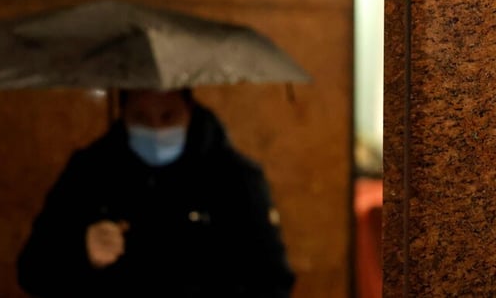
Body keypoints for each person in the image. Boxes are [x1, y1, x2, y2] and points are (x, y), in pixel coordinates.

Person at [17, 88, 295, 297]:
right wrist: (79, 252)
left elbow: (273, 281)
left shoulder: (234, 178)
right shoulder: (90, 172)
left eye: (168, 116)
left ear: (189, 109)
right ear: (123, 115)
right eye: (141, 117)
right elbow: (33, 272)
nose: (156, 129)